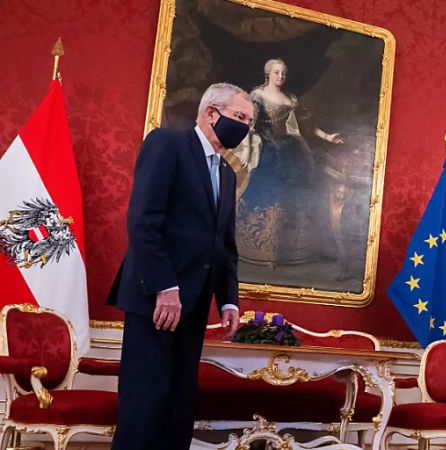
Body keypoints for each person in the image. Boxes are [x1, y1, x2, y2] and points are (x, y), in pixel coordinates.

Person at [107, 83, 250, 450]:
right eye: (239, 117)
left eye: (249, 120)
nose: (245, 126)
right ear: (210, 113)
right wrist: (164, 287)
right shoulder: (167, 145)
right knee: (145, 407)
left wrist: (228, 300)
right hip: (156, 300)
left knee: (178, 410)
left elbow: (224, 245)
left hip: (194, 305)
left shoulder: (227, 173)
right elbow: (143, 221)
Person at [231, 58, 343, 268]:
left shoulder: (290, 99)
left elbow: (306, 125)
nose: (280, 76)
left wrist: (327, 137)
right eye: (276, 72)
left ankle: (292, 249)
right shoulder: (258, 96)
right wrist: (247, 143)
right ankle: (260, 248)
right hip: (266, 148)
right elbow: (249, 124)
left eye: (283, 73)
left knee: (300, 190)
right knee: (269, 188)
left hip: (291, 148)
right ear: (268, 74)